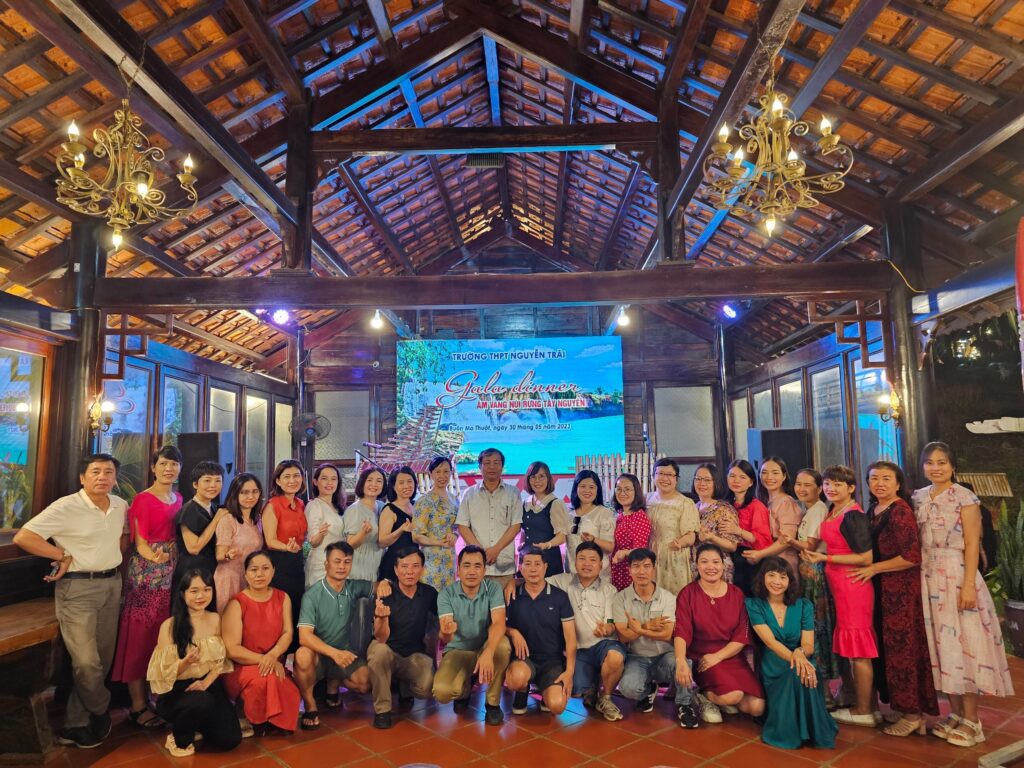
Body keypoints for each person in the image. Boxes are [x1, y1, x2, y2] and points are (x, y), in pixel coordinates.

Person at [14, 454, 128, 749]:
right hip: (77, 589)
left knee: (102, 659)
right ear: (82, 477)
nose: (102, 477)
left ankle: (76, 723)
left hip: (112, 584)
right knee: (86, 662)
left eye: (108, 472)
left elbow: (123, 539)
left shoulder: (120, 505)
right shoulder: (66, 506)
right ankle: (101, 710)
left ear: (115, 478)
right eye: (95, 472)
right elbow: (24, 537)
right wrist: (61, 555)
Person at [913, 442, 1014, 747]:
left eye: (942, 462)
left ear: (953, 466)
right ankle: (955, 714)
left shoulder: (965, 497)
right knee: (941, 648)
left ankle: (973, 721)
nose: (935, 468)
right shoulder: (918, 496)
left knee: (965, 646)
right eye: (930, 462)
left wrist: (968, 584)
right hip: (927, 576)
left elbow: (972, 544)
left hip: (956, 575)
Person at [850, 461, 938, 737]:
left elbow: (911, 556)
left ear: (898, 483)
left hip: (899, 592)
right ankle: (903, 708)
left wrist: (874, 568)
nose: (879, 484)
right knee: (888, 651)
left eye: (886, 478)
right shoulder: (874, 510)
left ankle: (913, 714)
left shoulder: (900, 512)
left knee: (903, 651)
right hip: (882, 589)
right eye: (874, 478)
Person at [112, 445, 183, 729]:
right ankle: (138, 704)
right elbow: (140, 541)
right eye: (163, 464)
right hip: (147, 573)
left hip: (173, 570)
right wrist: (153, 557)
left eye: (174, 464)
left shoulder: (179, 498)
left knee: (163, 635)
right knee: (140, 635)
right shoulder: (142, 499)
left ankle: (159, 697)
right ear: (153, 467)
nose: (168, 469)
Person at [800, 464, 877, 727]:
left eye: (837, 484)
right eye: (827, 484)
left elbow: (865, 557)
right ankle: (861, 701)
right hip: (837, 585)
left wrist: (826, 558)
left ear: (851, 488)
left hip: (853, 584)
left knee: (859, 649)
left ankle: (864, 710)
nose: (831, 488)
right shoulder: (834, 510)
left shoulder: (853, 516)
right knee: (851, 646)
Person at [147, 569, 241, 757]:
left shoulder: (215, 619)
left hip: (207, 684)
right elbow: (162, 675)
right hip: (176, 690)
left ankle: (197, 722)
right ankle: (178, 739)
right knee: (201, 701)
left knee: (230, 740)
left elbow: (220, 660)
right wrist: (185, 663)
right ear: (183, 594)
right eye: (194, 591)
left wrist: (206, 682)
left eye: (207, 589)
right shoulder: (170, 626)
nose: (201, 596)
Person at [746, 557, 837, 750]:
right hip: (773, 662)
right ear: (763, 577)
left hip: (801, 656)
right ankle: (790, 732)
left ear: (790, 581)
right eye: (771, 575)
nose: (777, 582)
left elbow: (808, 644)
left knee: (804, 672)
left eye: (783, 577)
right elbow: (770, 642)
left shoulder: (804, 605)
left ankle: (810, 730)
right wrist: (798, 660)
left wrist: (800, 654)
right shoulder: (754, 605)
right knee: (799, 672)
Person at [675, 543, 764, 726]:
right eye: (704, 562)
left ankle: (723, 697)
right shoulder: (688, 593)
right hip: (702, 658)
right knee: (733, 696)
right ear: (696, 565)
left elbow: (741, 635)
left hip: (730, 655)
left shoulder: (736, 594)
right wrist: (681, 660)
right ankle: (703, 696)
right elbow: (682, 631)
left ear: (723, 565)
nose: (711, 567)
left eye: (716, 562)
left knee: (757, 707)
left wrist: (718, 656)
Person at [294, 542, 373, 729]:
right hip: (320, 655)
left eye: (347, 562)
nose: (342, 566)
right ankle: (310, 705)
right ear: (326, 564)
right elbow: (304, 637)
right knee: (302, 655)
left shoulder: (353, 587)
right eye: (337, 561)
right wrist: (334, 653)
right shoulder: (312, 595)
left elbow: (377, 586)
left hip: (344, 652)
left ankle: (333, 685)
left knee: (365, 683)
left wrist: (385, 584)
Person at [613, 548, 697, 726]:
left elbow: (666, 634)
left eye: (646, 566)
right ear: (629, 570)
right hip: (637, 657)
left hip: (664, 656)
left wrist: (639, 630)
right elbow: (622, 636)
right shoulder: (620, 598)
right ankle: (648, 689)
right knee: (628, 689)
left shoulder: (668, 598)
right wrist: (648, 626)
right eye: (636, 566)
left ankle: (685, 705)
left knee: (683, 663)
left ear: (654, 569)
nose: (641, 571)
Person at [433, 545, 513, 726]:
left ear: (484, 570)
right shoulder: (446, 594)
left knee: (502, 646)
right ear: (458, 568)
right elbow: (446, 638)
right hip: (458, 650)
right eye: (466, 565)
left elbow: (499, 623)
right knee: (442, 692)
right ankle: (466, 686)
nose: (471, 571)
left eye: (477, 566)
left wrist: (488, 652)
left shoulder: (493, 589)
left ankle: (492, 703)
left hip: (485, 647)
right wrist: (446, 632)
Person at [222, 551, 300, 735]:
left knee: (286, 686)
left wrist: (273, 655)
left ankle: (274, 721)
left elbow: (288, 632)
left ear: (273, 572)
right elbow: (232, 649)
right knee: (265, 681)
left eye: (265, 568)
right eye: (253, 569)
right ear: (245, 574)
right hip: (243, 666)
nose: (259, 574)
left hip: (274, 661)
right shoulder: (236, 603)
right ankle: (252, 716)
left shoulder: (283, 598)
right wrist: (265, 659)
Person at [548, 541, 625, 721]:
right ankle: (593, 684)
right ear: (574, 562)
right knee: (574, 691)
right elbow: (536, 581)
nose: (587, 564)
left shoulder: (609, 590)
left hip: (604, 645)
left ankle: (605, 697)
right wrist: (513, 582)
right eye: (582, 558)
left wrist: (608, 627)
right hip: (579, 649)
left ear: (601, 564)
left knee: (615, 658)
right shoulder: (563, 581)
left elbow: (611, 621)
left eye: (592, 560)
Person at [782, 468, 840, 706]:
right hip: (807, 572)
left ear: (819, 488)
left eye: (808, 485)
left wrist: (789, 541)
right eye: (798, 484)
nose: (801, 489)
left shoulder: (818, 510)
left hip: (813, 574)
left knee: (816, 628)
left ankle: (824, 693)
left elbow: (810, 545)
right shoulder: (808, 509)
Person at [367, 546, 438, 729]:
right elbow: (381, 638)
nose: (410, 571)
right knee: (379, 651)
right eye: (404, 566)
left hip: (413, 655)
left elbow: (443, 617)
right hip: (388, 651)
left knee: (429, 686)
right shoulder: (386, 593)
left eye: (415, 566)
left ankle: (404, 686)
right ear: (396, 570)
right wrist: (382, 618)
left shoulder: (429, 593)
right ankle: (383, 710)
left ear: (422, 569)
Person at [505, 547, 576, 716]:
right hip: (524, 659)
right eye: (527, 564)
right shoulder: (512, 595)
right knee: (516, 679)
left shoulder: (559, 597)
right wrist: (512, 632)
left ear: (545, 567)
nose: (533, 569)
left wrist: (569, 672)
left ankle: (546, 690)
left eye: (537, 564)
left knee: (557, 706)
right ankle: (521, 692)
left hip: (552, 661)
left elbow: (571, 638)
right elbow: (497, 625)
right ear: (520, 567)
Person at [456, 448, 522, 587]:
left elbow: (516, 526)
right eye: (487, 463)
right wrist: (480, 553)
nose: (492, 467)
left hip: (504, 567)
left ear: (502, 466)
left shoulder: (513, 493)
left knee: (505, 601)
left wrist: (496, 549)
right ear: (480, 466)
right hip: (475, 568)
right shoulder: (469, 494)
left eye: (496, 463)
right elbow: (462, 526)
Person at [263, 460, 307, 650]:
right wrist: (287, 548)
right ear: (278, 481)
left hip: (297, 563)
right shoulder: (272, 505)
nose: (292, 480)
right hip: (279, 564)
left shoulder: (301, 503)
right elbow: (270, 540)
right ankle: (277, 654)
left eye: (296, 476)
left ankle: (294, 656)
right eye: (287, 477)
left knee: (297, 607)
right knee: (281, 612)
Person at [172, 461, 227, 602]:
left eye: (218, 481)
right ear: (195, 484)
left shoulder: (214, 508)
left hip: (210, 570)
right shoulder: (188, 510)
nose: (213, 485)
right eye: (207, 480)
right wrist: (216, 519)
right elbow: (193, 548)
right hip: (191, 572)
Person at [645, 459, 699, 595]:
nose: (665, 478)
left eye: (669, 475)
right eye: (660, 473)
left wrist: (679, 543)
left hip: (673, 557)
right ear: (653, 476)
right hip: (648, 556)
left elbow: (691, 536)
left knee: (674, 599)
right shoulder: (646, 499)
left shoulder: (685, 503)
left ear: (676, 479)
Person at [743, 457, 803, 580]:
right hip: (766, 563)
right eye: (764, 472)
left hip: (783, 563)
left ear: (784, 476)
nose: (769, 477)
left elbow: (787, 540)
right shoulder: (761, 501)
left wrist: (760, 554)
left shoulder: (786, 502)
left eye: (775, 473)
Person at [214, 473, 265, 612]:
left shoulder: (258, 519)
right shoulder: (228, 519)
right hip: (230, 579)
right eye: (244, 492)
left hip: (250, 578)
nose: (251, 496)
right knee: (228, 620)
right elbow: (219, 555)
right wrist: (229, 555)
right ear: (235, 494)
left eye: (255, 491)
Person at [722, 460, 771, 595]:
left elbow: (762, 540)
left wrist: (737, 530)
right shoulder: (725, 504)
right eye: (732, 476)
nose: (736, 480)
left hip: (747, 560)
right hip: (727, 556)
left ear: (751, 482)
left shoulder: (756, 506)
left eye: (742, 477)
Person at [412, 456, 458, 591]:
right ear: (431, 474)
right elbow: (416, 536)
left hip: (449, 558)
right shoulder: (424, 501)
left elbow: (457, 527)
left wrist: (455, 535)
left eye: (446, 471)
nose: (442, 476)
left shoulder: (454, 499)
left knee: (448, 597)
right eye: (438, 472)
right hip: (430, 560)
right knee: (430, 597)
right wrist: (438, 542)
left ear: (451, 473)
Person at [690, 464, 741, 583]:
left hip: (717, 569)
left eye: (707, 480)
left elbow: (732, 546)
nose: (702, 483)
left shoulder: (724, 509)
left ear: (716, 483)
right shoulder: (692, 507)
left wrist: (711, 537)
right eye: (698, 479)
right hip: (695, 568)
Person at [520, 461, 569, 576]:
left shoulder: (555, 503)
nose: (537, 481)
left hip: (548, 559)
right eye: (533, 477)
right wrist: (522, 544)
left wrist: (546, 545)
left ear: (548, 479)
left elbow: (562, 536)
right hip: (528, 560)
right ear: (528, 480)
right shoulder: (525, 503)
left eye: (541, 476)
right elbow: (525, 529)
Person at [566, 469, 615, 576]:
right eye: (583, 486)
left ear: (598, 490)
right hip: (572, 574)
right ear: (576, 488)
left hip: (598, 576)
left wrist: (594, 540)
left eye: (592, 487)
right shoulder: (568, 514)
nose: (587, 490)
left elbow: (610, 547)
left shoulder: (604, 513)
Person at [304, 464, 345, 587]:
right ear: (315, 482)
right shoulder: (314, 505)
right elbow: (313, 542)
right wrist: (321, 534)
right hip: (321, 565)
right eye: (324, 478)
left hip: (337, 563)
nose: (329, 482)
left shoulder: (337, 507)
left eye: (333, 479)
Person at [343, 466, 387, 581]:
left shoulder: (382, 507)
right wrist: (363, 533)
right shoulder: (355, 509)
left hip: (377, 566)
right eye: (369, 480)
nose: (374, 484)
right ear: (362, 483)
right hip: (359, 568)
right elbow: (349, 544)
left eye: (379, 481)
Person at [610, 473, 651, 592]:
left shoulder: (639, 516)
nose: (622, 493)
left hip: (631, 570)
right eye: (619, 489)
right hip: (617, 569)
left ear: (636, 492)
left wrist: (624, 552)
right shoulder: (620, 515)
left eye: (627, 489)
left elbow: (641, 550)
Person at [378, 466, 417, 580]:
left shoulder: (417, 507)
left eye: (409, 481)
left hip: (413, 565)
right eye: (401, 482)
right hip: (394, 566)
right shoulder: (389, 509)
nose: (406, 486)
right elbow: (382, 542)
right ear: (394, 487)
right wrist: (401, 530)